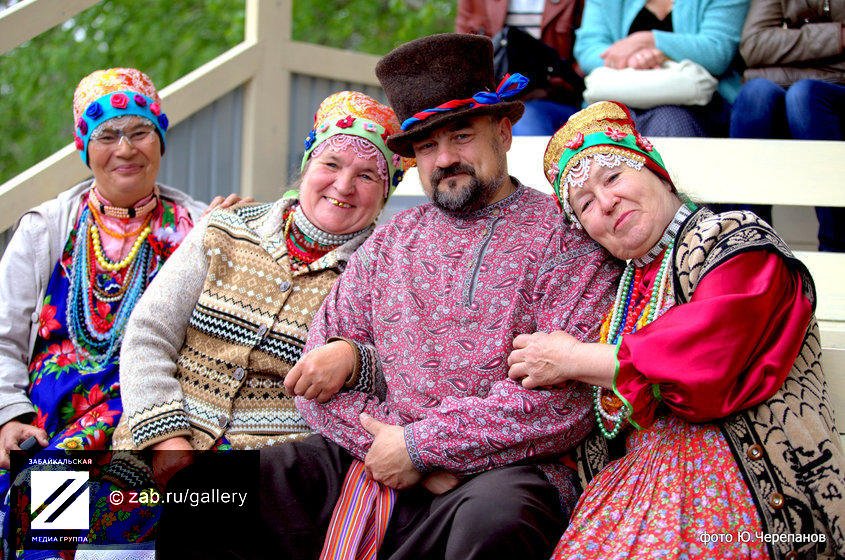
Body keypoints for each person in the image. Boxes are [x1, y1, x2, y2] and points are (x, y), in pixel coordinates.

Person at [157, 33, 621, 560]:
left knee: (499, 522)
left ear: (504, 132)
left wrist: (423, 448)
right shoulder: (392, 241)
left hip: (499, 473)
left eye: (462, 137)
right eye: (426, 146)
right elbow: (315, 378)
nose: (445, 158)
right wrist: (390, 449)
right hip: (370, 456)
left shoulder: (562, 238)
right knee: (210, 493)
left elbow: (565, 404)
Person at [508, 100, 844, 558]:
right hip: (633, 492)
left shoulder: (735, 239)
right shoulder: (617, 291)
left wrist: (572, 359)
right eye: (585, 203)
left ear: (657, 171)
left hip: (760, 491)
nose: (605, 203)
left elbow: (709, 361)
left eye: (613, 177)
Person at [114, 90, 408, 471]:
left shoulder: (389, 271)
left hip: (275, 470)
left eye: (367, 175)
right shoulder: (225, 228)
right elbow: (148, 333)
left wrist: (356, 361)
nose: (344, 185)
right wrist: (166, 437)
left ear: (385, 194)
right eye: (331, 164)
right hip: (159, 440)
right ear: (307, 166)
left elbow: (410, 369)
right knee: (50, 517)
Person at [0, 67, 207, 555]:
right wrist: (9, 416)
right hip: (48, 422)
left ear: (160, 140)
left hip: (148, 417)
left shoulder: (199, 228)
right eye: (107, 135)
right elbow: (3, 335)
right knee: (47, 511)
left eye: (139, 132)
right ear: (85, 148)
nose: (126, 148)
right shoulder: (46, 229)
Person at [729, 0, 845, 251]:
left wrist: (786, 44)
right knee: (755, 94)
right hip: (788, 95)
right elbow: (754, 46)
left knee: (805, 95)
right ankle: (750, 244)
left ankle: (836, 244)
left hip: (831, 100)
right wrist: (837, 37)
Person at [574, 0, 749, 137]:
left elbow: (717, 51)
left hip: (697, 106)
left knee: (669, 119)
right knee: (605, 129)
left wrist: (650, 41)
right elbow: (588, 50)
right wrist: (636, 59)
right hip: (619, 100)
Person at [456, 0, 584, 135]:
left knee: (524, 118)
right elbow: (462, 58)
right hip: (490, 101)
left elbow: (586, 56)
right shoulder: (474, 3)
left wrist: (548, 88)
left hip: (554, 100)